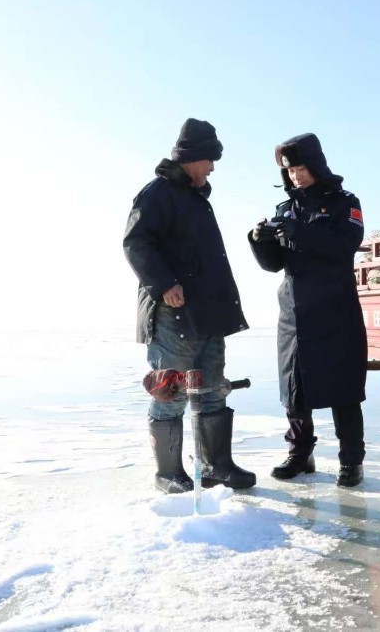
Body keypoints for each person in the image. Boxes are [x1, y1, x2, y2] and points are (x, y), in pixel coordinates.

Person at [123, 118, 256, 494]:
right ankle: (168, 474)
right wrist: (164, 284)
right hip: (171, 315)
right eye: (209, 160)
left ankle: (218, 466)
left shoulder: (197, 200)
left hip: (208, 314)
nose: (213, 168)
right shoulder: (157, 194)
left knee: (213, 388)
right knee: (172, 390)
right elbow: (135, 243)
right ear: (192, 158)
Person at [248, 133, 367, 487]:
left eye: (300, 168)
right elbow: (274, 265)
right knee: (295, 390)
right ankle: (300, 455)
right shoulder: (285, 209)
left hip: (335, 310)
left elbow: (347, 244)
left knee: (342, 389)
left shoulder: (345, 202)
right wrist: (260, 242)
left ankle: (351, 462)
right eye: (290, 170)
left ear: (315, 165)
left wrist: (300, 232)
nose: (296, 176)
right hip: (294, 314)